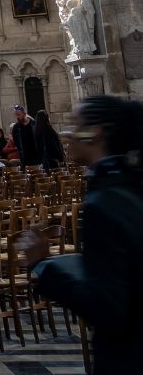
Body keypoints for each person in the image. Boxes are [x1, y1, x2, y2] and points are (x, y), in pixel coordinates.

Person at [19, 96, 143, 375]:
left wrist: (42, 265)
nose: (67, 133)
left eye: (75, 126)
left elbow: (107, 306)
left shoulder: (105, 203)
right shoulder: (129, 184)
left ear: (94, 134)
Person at [35, 107, 66, 171]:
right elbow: (54, 145)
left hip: (43, 161)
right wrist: (60, 158)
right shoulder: (48, 130)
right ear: (46, 118)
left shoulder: (37, 131)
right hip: (52, 160)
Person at [12, 102, 40, 169]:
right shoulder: (16, 127)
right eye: (16, 115)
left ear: (24, 114)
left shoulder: (34, 124)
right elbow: (16, 142)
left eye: (19, 115)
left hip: (36, 155)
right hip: (24, 156)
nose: (17, 117)